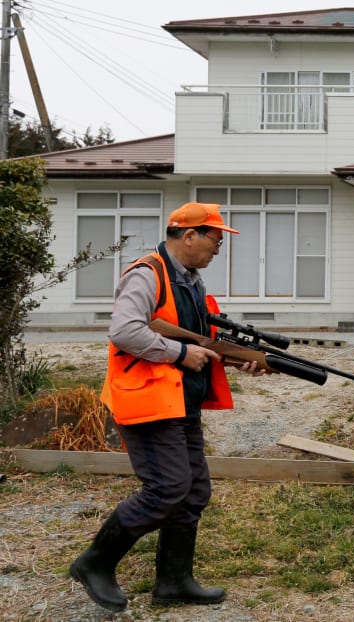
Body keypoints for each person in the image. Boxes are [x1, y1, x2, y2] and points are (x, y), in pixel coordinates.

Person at [69, 202, 265, 612]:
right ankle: (94, 562)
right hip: (147, 401)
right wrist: (178, 353)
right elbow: (124, 331)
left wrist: (237, 357)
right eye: (215, 239)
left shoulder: (190, 281)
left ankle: (174, 582)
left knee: (193, 492)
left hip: (179, 400)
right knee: (168, 488)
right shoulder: (147, 273)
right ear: (189, 235)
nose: (218, 248)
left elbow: (201, 341)